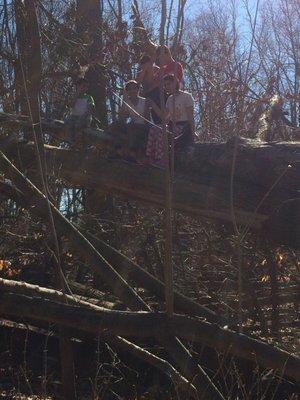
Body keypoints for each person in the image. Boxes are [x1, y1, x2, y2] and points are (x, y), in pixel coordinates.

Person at [118, 80, 150, 161]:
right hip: (133, 126)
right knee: (117, 126)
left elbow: (147, 119)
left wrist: (135, 125)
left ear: (138, 90)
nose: (132, 91)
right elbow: (121, 119)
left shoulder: (145, 101)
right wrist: (124, 101)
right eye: (130, 89)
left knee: (132, 128)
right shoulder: (127, 102)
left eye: (135, 88)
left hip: (145, 126)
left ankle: (132, 152)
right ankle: (118, 151)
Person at [164, 74, 195, 149]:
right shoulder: (169, 99)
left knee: (177, 139)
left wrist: (193, 131)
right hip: (173, 126)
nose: (167, 87)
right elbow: (167, 118)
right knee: (155, 130)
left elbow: (190, 116)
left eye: (169, 84)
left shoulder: (187, 96)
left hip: (184, 126)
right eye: (165, 85)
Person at [65, 77, 95, 147]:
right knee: (68, 122)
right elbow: (71, 105)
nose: (85, 88)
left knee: (78, 124)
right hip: (74, 117)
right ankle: (72, 141)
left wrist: (83, 116)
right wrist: (77, 93)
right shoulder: (73, 96)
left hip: (85, 117)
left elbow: (90, 109)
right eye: (83, 86)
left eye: (86, 86)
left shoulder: (89, 97)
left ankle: (79, 141)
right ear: (78, 86)